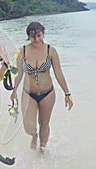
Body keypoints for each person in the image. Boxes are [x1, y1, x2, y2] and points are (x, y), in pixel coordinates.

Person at [10, 22, 73, 152]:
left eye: (39, 35)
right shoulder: (22, 51)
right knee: (29, 127)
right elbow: (19, 73)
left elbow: (58, 73)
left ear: (43, 34)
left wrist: (67, 93)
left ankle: (42, 151)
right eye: (33, 37)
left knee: (44, 124)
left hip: (47, 93)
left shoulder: (51, 50)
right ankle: (34, 136)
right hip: (28, 93)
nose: (37, 40)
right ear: (28, 36)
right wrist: (14, 91)